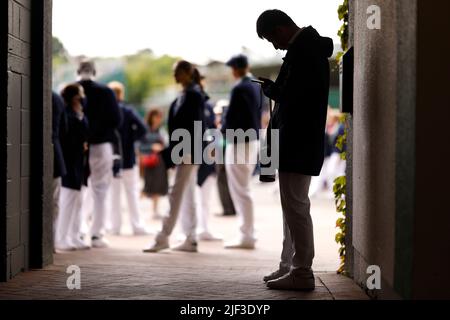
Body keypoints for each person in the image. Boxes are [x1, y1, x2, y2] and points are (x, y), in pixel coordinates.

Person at [256, 9, 333, 290]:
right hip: (297, 141)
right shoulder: (308, 48)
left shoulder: (304, 52)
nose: (275, 46)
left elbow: (297, 98)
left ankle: (301, 271)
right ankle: (289, 264)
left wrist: (273, 91)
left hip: (297, 141)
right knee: (292, 205)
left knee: (296, 207)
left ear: (281, 29)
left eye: (272, 38)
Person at [143, 60, 205, 253]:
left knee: (176, 194)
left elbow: (194, 125)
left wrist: (180, 151)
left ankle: (164, 237)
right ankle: (191, 238)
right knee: (187, 195)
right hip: (188, 150)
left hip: (187, 150)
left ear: (187, 72)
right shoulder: (188, 94)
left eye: (177, 72)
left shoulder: (192, 95)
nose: (174, 75)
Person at [78, 60, 122, 248]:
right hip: (101, 145)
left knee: (75, 190)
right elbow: (116, 120)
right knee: (100, 190)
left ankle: (76, 231)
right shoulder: (106, 91)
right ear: (95, 72)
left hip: (77, 146)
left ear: (78, 71)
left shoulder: (70, 90)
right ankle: (96, 235)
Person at [223, 54, 262, 250]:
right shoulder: (255, 84)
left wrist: (222, 125)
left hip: (239, 141)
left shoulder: (240, 88)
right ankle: (247, 232)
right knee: (243, 188)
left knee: (240, 189)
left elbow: (233, 117)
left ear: (236, 69)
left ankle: (247, 234)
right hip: (250, 140)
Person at [179, 69, 222, 241]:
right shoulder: (188, 100)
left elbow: (212, 129)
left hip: (208, 155)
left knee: (205, 196)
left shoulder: (207, 106)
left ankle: (204, 228)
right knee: (189, 196)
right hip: (193, 153)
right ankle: (188, 230)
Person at [107, 81, 150, 235]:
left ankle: (115, 227)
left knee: (114, 195)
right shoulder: (128, 110)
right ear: (121, 94)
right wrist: (132, 139)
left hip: (112, 159)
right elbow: (143, 129)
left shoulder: (107, 111)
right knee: (132, 194)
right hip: (129, 158)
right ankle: (137, 226)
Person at [54, 83, 90, 251]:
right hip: (70, 162)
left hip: (78, 163)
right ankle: (62, 237)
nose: (83, 98)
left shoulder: (79, 113)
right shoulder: (68, 113)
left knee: (78, 201)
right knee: (68, 201)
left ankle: (74, 235)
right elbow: (67, 136)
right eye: (80, 95)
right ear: (74, 97)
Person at [140, 108, 169, 219]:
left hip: (159, 162)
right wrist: (151, 147)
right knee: (148, 185)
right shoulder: (145, 130)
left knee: (158, 185)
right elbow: (140, 145)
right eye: (156, 117)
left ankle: (155, 209)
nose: (158, 119)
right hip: (148, 161)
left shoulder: (161, 131)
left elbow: (166, 145)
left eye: (159, 117)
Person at [52, 91, 67, 245]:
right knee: (54, 202)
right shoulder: (57, 99)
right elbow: (64, 131)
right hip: (55, 155)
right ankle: (52, 242)